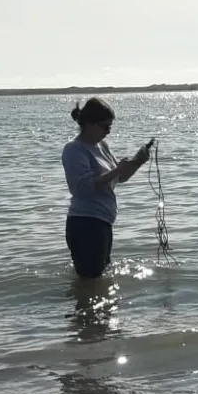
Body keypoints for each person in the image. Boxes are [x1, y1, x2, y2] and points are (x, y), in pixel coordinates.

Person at [61, 98, 151, 279]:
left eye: (110, 127)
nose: (108, 132)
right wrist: (117, 169)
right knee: (90, 279)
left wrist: (138, 162)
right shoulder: (74, 149)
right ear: (89, 124)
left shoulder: (102, 146)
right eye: (105, 127)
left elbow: (119, 178)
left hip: (102, 222)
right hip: (85, 224)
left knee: (98, 280)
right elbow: (83, 188)